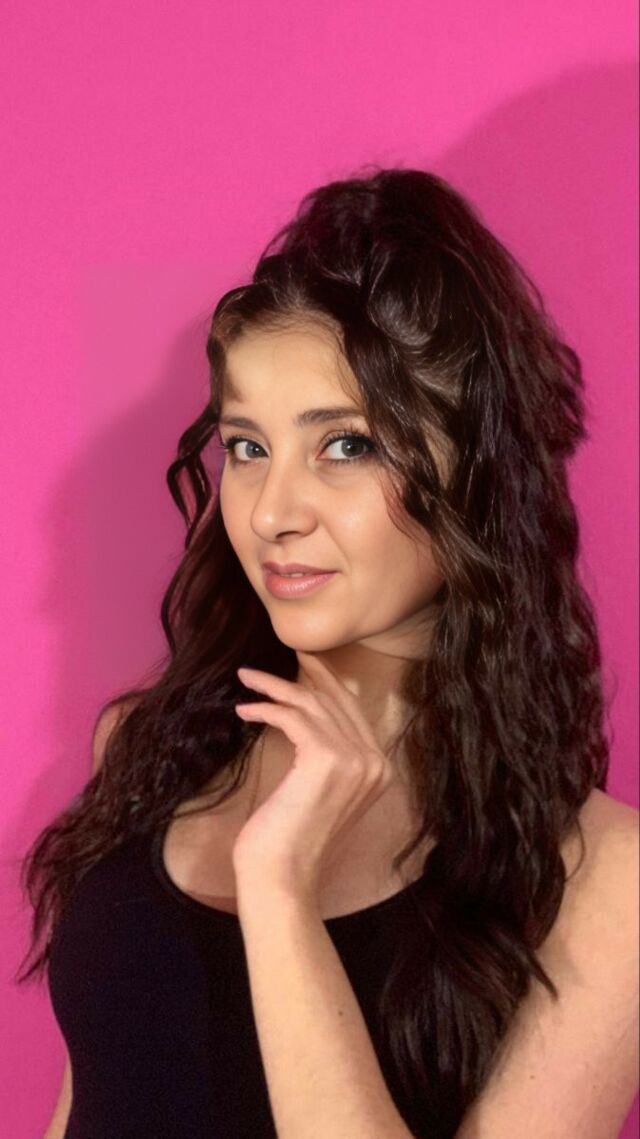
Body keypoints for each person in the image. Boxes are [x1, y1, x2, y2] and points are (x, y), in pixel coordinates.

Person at [17, 166, 638, 1139]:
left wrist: (279, 886)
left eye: (345, 445)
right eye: (247, 446)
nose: (273, 511)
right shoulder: (147, 748)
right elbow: (86, 1100)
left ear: (475, 472)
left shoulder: (605, 879)